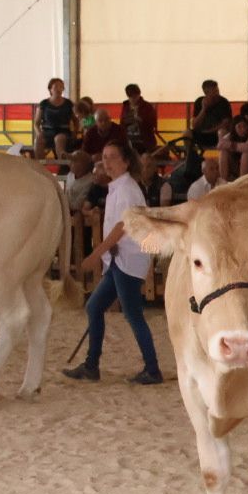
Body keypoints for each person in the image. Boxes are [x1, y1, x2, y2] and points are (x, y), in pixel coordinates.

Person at [63, 141, 163, 386]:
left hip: (128, 260)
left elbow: (123, 226)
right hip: (120, 259)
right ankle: (91, 365)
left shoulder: (127, 188)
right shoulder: (118, 187)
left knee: (132, 315)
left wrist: (96, 254)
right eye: (104, 157)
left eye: (112, 157)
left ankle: (152, 369)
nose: (107, 162)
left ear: (125, 161)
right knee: (95, 308)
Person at [33, 78, 77, 159]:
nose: (58, 89)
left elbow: (76, 120)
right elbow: (36, 123)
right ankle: (39, 166)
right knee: (37, 140)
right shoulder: (44, 104)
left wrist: (75, 132)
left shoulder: (68, 103)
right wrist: (39, 134)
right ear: (50, 89)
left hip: (64, 132)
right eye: (56, 87)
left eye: (61, 87)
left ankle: (62, 165)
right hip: (47, 132)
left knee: (59, 139)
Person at [122, 82, 160, 155]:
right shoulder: (125, 106)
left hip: (144, 140)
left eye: (135, 96)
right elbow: (122, 123)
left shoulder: (147, 107)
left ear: (139, 94)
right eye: (131, 97)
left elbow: (153, 124)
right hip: (129, 138)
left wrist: (141, 120)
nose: (133, 99)